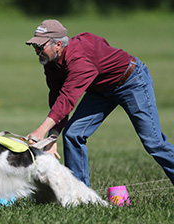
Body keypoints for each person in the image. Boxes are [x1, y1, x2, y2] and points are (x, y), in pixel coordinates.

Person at [25, 19, 174, 187]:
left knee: (154, 143)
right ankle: (80, 195)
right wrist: (52, 136)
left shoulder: (79, 60)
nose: (37, 51)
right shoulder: (51, 63)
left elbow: (68, 99)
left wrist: (40, 132)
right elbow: (57, 98)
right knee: (73, 134)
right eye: (34, 46)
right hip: (101, 89)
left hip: (132, 82)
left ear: (58, 44)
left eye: (40, 46)